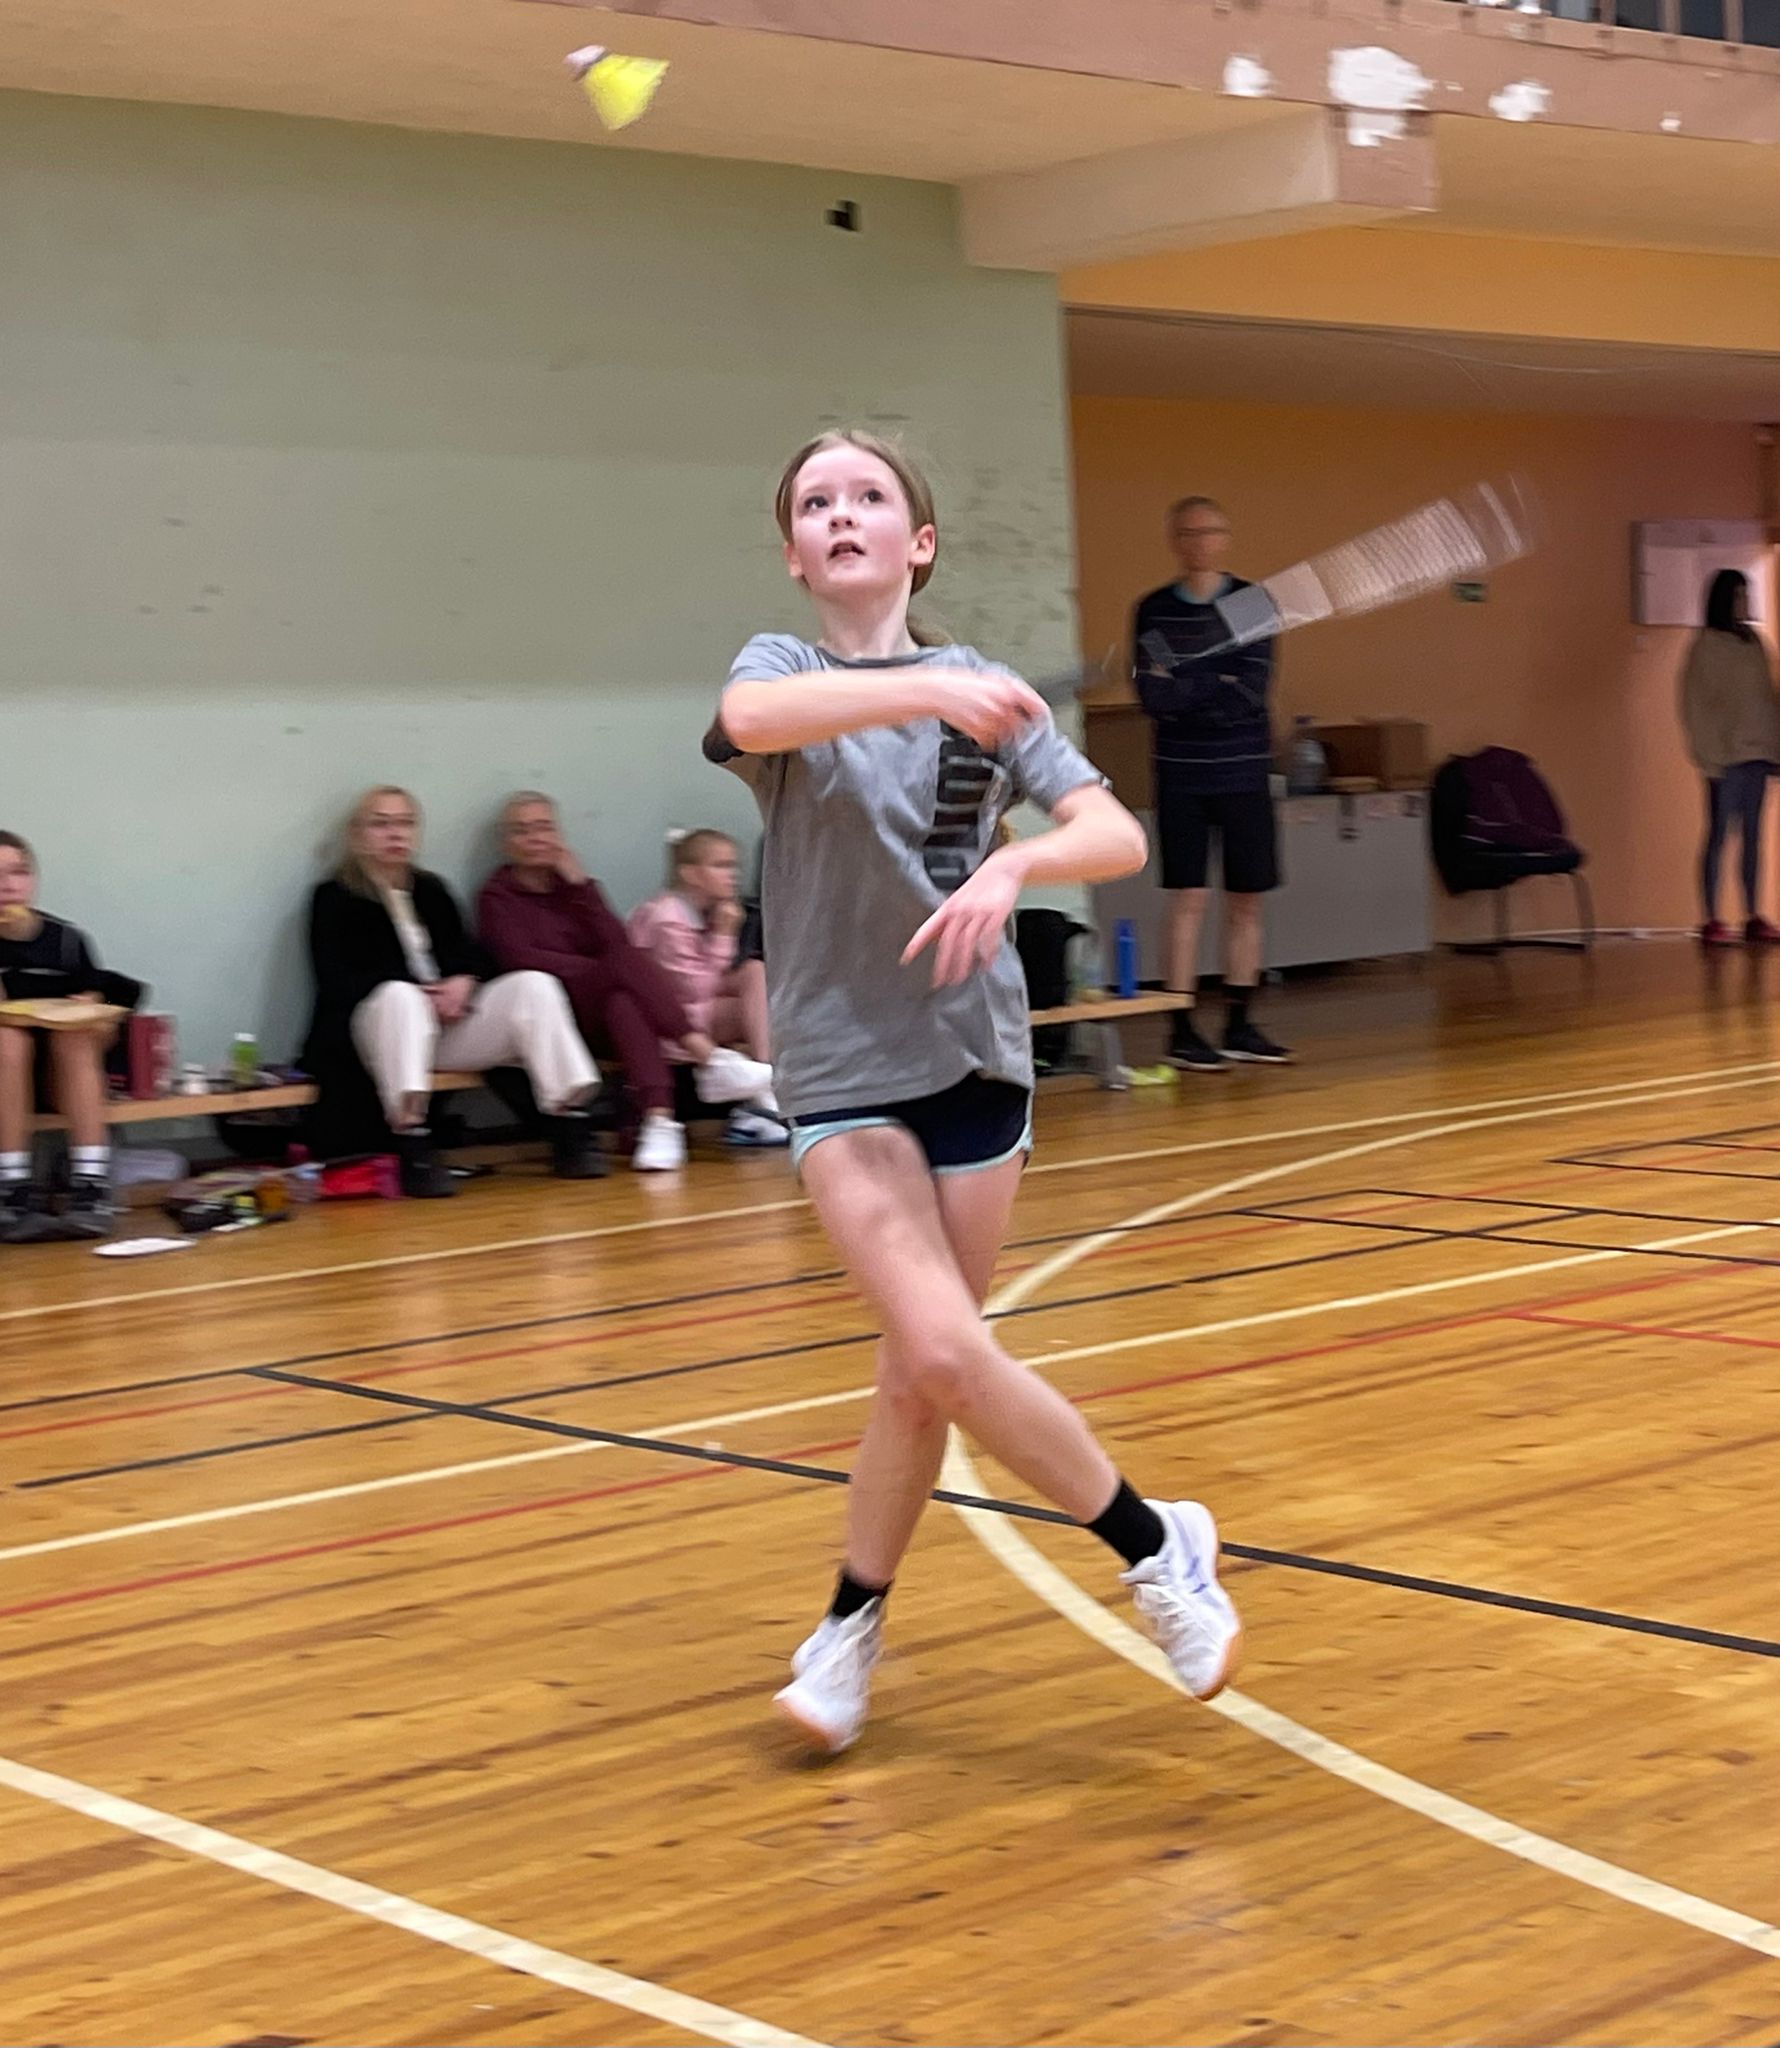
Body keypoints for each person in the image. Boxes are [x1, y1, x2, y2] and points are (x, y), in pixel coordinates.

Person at [707, 427, 1242, 1755]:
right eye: (815, 502)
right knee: (945, 1350)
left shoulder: (992, 699)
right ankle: (1153, 1543)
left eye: (868, 496)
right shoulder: (782, 672)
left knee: (917, 1371)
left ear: (919, 541)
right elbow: (749, 725)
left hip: (972, 1060)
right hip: (841, 1067)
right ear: (794, 553)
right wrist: (925, 689)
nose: (841, 513)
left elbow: (1112, 833)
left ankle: (849, 1626)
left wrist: (1016, 864)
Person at [302, 787, 602, 1197]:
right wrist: (420, 993)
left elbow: (474, 955)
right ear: (357, 835)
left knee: (534, 986)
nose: (396, 834)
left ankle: (571, 1123)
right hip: (378, 1028)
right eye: (381, 824)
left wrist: (465, 981)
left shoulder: (432, 890)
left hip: (444, 1027)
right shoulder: (333, 897)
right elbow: (337, 981)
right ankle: (412, 1139)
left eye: (405, 823)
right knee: (399, 997)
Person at [479, 793, 775, 1172]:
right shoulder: (497, 897)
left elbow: (612, 939)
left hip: (605, 1009)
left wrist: (579, 885)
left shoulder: (575, 889)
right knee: (623, 963)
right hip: (553, 1017)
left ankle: (659, 1121)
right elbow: (521, 959)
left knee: (624, 1001)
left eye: (544, 827)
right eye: (522, 830)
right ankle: (709, 1058)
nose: (536, 838)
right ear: (507, 843)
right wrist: (599, 969)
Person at [1132, 496, 1292, 1070]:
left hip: (1244, 772)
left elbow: (1250, 689)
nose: (1200, 542)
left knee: (1246, 899)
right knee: (1188, 898)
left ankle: (1240, 1024)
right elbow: (1152, 694)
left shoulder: (1252, 604)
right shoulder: (1153, 610)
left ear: (1225, 538)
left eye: (1210, 531)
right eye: (1189, 532)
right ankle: (1180, 1027)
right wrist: (1211, 683)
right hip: (1181, 775)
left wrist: (1188, 685)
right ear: (1174, 540)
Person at [0, 831, 139, 1242]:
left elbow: (105, 1021)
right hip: (6, 1072)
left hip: (59, 1078)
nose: (8, 885)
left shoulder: (65, 940)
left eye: (19, 872)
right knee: (8, 1038)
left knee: (76, 1036)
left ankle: (91, 1187)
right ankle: (11, 1189)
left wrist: (91, 1012)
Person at [626, 829, 785, 1149]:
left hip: (695, 1007)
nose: (733, 875)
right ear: (690, 874)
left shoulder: (706, 910)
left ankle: (764, 1080)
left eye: (734, 866)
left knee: (754, 971)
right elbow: (694, 988)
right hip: (668, 1023)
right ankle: (764, 1090)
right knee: (748, 1006)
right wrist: (724, 934)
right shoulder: (667, 918)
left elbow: (714, 977)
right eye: (721, 866)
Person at [1679, 569, 1780, 947]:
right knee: (1719, 835)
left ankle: (1753, 914)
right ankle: (1711, 918)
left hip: (1758, 754)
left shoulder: (1755, 643)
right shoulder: (1704, 646)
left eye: (1746, 595)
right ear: (1724, 600)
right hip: (1724, 759)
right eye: (1738, 596)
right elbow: (1695, 706)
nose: (1744, 602)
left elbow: (1769, 698)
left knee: (1754, 837)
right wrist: (1711, 757)